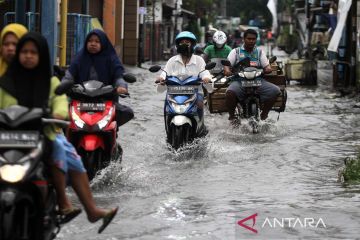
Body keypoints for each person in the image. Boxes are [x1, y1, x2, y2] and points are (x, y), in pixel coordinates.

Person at [0, 32, 117, 234]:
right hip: (7, 138)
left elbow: (62, 106)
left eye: (33, 52)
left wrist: (57, 114)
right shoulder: (6, 83)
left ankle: (68, 203)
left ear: (42, 55)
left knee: (61, 152)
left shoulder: (51, 82)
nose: (28, 56)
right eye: (24, 51)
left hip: (43, 135)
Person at [62, 29, 134, 127]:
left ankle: (112, 135)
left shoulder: (111, 58)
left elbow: (118, 76)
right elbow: (69, 75)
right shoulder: (80, 57)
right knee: (61, 113)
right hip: (81, 98)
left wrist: (121, 87)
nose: (93, 44)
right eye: (90, 41)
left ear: (103, 43)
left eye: (97, 41)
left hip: (105, 99)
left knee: (126, 112)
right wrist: (62, 86)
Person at [224, 29, 280, 122]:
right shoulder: (236, 52)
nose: (251, 41)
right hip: (240, 81)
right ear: (244, 39)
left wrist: (267, 69)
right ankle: (232, 116)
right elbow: (227, 65)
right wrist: (227, 70)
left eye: (253, 39)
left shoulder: (260, 52)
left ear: (256, 40)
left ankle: (264, 114)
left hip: (258, 81)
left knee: (276, 91)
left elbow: (266, 66)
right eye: (249, 39)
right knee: (230, 92)